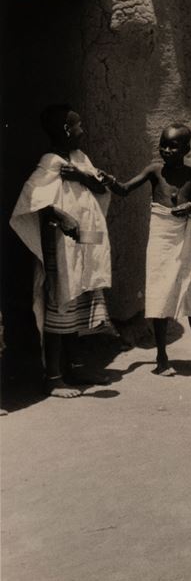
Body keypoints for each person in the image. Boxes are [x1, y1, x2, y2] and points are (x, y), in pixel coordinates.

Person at [9, 106, 113, 398]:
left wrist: (80, 177)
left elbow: (100, 187)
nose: (83, 131)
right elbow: (32, 200)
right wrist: (61, 215)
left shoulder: (79, 159)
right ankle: (54, 377)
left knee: (78, 302)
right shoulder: (50, 162)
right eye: (79, 125)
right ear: (67, 130)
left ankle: (76, 366)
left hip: (84, 240)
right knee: (60, 306)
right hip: (61, 245)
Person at [105, 123, 191, 378]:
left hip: (183, 237)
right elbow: (124, 189)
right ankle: (161, 358)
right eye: (163, 144)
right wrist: (109, 181)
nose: (166, 150)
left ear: (186, 149)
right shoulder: (154, 171)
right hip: (160, 236)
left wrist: (190, 207)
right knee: (160, 292)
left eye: (173, 146)